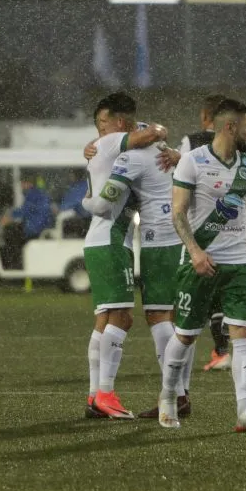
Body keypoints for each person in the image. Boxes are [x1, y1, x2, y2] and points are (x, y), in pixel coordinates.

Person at [158, 98, 246, 432]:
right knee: (186, 335)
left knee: (244, 335)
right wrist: (195, 251)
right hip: (200, 260)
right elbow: (178, 213)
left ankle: (245, 412)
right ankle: (168, 397)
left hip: (239, 263)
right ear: (230, 127)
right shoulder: (192, 161)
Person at [84, 126, 191, 420]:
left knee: (154, 317)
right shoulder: (170, 155)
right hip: (179, 238)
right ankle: (177, 394)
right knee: (173, 319)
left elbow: (101, 204)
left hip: (156, 243)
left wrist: (85, 199)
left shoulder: (131, 158)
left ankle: (173, 396)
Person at [79, 92, 167, 420]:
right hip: (111, 241)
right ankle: (105, 393)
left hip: (102, 241)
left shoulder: (107, 147)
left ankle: (95, 396)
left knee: (105, 319)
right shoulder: (112, 142)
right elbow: (149, 134)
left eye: (102, 123)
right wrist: (158, 132)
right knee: (123, 317)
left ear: (116, 120)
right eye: (98, 124)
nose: (99, 130)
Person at [0, 176, 55, 268]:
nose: (21, 186)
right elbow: (28, 210)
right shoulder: (38, 193)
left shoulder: (32, 194)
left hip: (35, 228)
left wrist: (9, 216)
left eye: (22, 183)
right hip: (42, 224)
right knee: (14, 229)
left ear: (28, 183)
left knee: (10, 233)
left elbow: (25, 210)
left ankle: (14, 263)